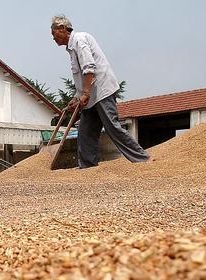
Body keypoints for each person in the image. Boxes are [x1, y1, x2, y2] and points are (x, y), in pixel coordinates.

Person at [51, 15, 150, 168]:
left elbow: (89, 67)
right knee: (85, 133)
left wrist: (85, 93)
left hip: (102, 91)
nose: (53, 38)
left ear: (63, 29)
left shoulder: (79, 40)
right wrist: (76, 97)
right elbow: (81, 77)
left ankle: (142, 159)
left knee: (112, 127)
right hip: (90, 95)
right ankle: (87, 167)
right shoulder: (71, 49)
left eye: (54, 33)